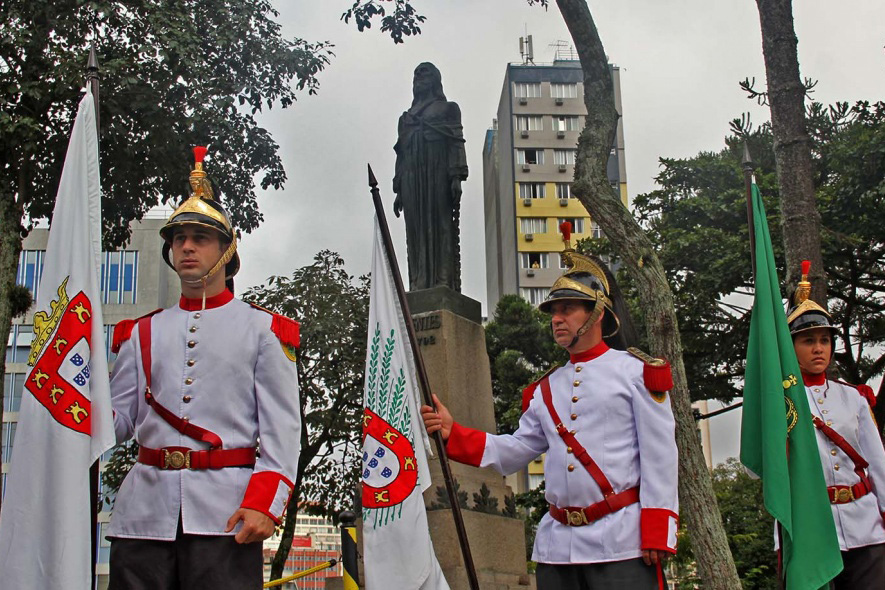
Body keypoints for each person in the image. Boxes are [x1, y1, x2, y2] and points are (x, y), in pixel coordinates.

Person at [422, 224, 678, 589]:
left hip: (622, 542)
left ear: (597, 313)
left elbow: (660, 455)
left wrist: (658, 528)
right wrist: (453, 433)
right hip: (557, 549)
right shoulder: (546, 389)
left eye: (568, 309)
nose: (557, 318)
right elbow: (515, 451)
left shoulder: (636, 372)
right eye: (554, 311)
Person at [105, 147, 301, 589]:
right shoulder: (140, 333)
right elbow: (118, 421)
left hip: (226, 514)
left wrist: (265, 505)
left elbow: (282, 432)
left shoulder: (264, 330)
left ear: (228, 249)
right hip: (143, 517)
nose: (187, 246)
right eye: (179, 238)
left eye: (200, 237)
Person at [786, 261, 885, 589]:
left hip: (866, 527)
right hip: (813, 530)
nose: (818, 348)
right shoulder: (780, 404)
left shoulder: (853, 398)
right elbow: (758, 470)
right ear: (791, 347)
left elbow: (878, 464)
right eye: (807, 340)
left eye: (824, 341)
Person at [393, 62, 469, 292]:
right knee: (415, 229)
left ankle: (443, 280)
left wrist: (456, 175)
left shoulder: (448, 109)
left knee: (441, 224)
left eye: (424, 74)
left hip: (437, 172)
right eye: (415, 75)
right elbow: (401, 153)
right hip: (411, 177)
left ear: (435, 80)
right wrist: (398, 189)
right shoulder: (405, 118)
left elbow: (456, 142)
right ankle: (417, 282)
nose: (418, 78)